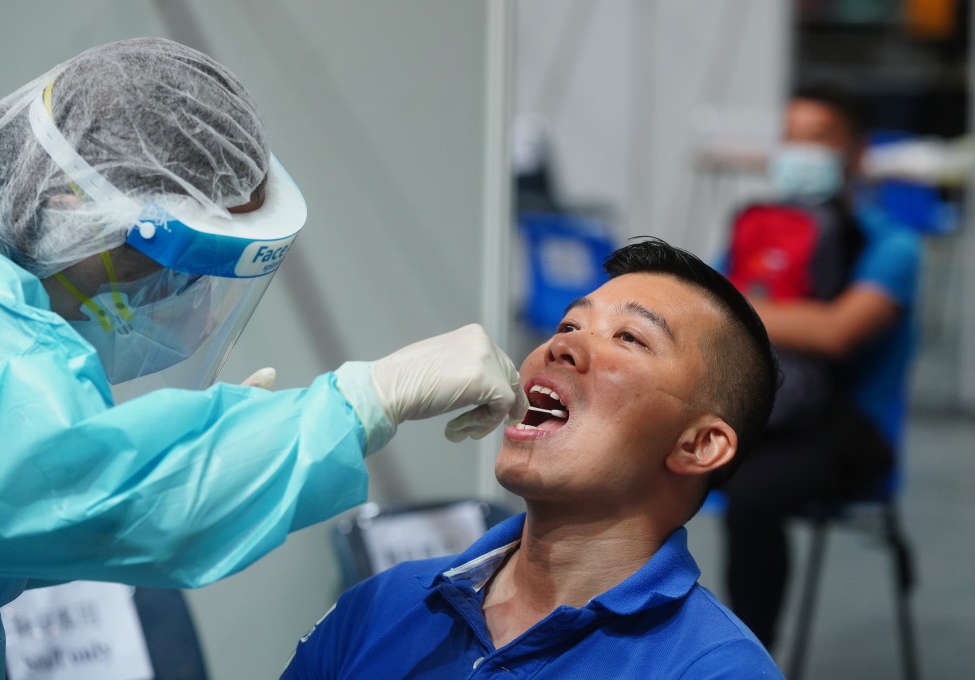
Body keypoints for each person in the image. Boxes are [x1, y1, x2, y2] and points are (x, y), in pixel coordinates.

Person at [0, 38, 527, 679]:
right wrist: (365, 402)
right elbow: (102, 499)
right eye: (173, 267)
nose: (180, 298)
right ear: (71, 212)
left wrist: (229, 449)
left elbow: (15, 524)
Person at [282, 238, 784, 679]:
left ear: (699, 445)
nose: (562, 344)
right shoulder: (382, 604)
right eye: (569, 323)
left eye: (629, 337)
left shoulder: (716, 668)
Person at [720, 84, 923, 649]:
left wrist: (735, 302)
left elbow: (837, 332)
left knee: (751, 494)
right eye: (789, 136)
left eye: (816, 139)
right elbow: (698, 302)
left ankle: (749, 656)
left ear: (857, 154)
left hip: (843, 433)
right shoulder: (758, 230)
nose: (796, 150)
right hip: (764, 414)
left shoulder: (893, 245)